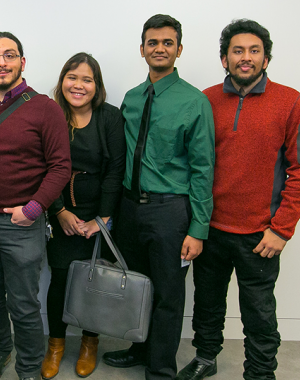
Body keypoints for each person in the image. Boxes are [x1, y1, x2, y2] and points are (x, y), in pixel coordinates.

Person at [176, 19, 300, 380]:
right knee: (207, 303)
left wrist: (281, 229)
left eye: (255, 51)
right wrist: (195, 223)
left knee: (259, 311)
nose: (246, 58)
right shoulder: (205, 100)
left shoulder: (291, 102)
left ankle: (259, 372)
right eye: (238, 51)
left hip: (260, 235)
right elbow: (191, 164)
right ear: (224, 58)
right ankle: (206, 359)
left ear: (266, 59)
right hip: (210, 228)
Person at [101, 14, 215, 380]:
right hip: (131, 208)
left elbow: (203, 168)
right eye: (153, 42)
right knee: (137, 287)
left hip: (170, 212)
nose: (160, 48)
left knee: (168, 294)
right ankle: (140, 349)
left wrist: (198, 228)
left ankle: (161, 369)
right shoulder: (132, 99)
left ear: (179, 50)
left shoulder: (194, 102)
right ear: (142, 49)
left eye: (168, 42)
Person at [0, 32, 71, 380]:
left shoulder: (45, 108)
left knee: (24, 305)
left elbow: (60, 167)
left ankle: (28, 368)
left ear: (22, 62)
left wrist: (33, 209)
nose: (1, 62)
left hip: (23, 225)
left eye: (9, 55)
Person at [41, 52, 125, 379]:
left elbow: (116, 171)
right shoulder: (51, 115)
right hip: (60, 212)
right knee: (60, 280)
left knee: (96, 282)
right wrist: (59, 211)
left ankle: (90, 344)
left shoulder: (111, 117)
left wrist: (102, 219)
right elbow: (44, 167)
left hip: (101, 218)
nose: (78, 85)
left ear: (97, 85)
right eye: (72, 77)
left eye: (86, 79)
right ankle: (56, 345)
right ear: (62, 82)